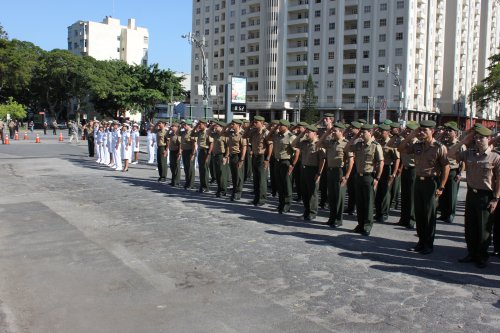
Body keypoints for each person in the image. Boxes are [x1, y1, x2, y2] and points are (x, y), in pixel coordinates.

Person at [448, 126, 499, 268]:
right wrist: (463, 141)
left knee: (483, 228)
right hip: (471, 194)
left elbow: (499, 181)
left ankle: (482, 256)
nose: (477, 140)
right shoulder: (469, 153)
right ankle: (471, 253)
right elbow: (450, 154)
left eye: (481, 137)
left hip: (486, 196)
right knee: (470, 226)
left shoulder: (495, 157)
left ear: (489, 139)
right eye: (476, 137)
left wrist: (496, 199)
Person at [398, 120, 450, 255]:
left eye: (424, 130)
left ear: (432, 131)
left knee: (429, 215)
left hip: (431, 183)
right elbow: (401, 149)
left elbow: (446, 167)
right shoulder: (417, 145)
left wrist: (442, 186)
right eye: (419, 130)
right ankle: (421, 242)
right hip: (418, 182)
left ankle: (428, 244)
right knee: (419, 214)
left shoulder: (439, 147)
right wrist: (410, 136)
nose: (421, 132)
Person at [346, 124, 384, 236]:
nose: (362, 134)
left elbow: (380, 162)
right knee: (359, 202)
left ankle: (367, 226)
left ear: (370, 133)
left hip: (369, 176)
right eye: (361, 132)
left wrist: (377, 178)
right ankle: (360, 224)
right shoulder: (358, 144)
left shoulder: (375, 145)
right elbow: (347, 148)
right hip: (358, 176)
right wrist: (355, 136)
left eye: (364, 132)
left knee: (368, 202)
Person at [318, 122, 354, 227]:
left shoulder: (346, 143)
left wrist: (346, 176)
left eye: (335, 131)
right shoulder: (330, 142)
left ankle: (338, 219)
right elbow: (319, 143)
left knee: (339, 197)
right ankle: (332, 218)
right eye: (332, 131)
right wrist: (328, 131)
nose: (333, 132)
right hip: (330, 171)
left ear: (341, 132)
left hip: (340, 171)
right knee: (332, 196)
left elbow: (351, 161)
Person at [292, 125, 326, 221]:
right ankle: (306, 211)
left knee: (312, 193)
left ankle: (312, 213)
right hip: (304, 169)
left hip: (313, 170)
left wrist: (319, 173)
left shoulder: (319, 144)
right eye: (306, 132)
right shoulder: (304, 143)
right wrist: (301, 134)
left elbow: (322, 160)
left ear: (315, 133)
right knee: (305, 192)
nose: (306, 134)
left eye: (308, 132)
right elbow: (293, 144)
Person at [267, 119, 298, 214]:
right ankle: (281, 204)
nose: (278, 127)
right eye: (278, 125)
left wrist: (292, 165)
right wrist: (274, 128)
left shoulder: (291, 137)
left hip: (286, 162)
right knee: (279, 184)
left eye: (280, 125)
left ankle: (287, 206)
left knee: (287, 185)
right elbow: (268, 138)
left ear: (286, 126)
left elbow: (297, 151)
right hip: (277, 162)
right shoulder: (277, 135)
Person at [437, 122, 465, 224]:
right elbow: (436, 143)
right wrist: (441, 135)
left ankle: (450, 215)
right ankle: (443, 214)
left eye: (450, 131)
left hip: (453, 171)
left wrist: (460, 173)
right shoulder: (443, 143)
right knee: (443, 193)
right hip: (443, 171)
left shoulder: (459, 145)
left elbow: (463, 162)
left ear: (455, 133)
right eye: (446, 130)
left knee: (452, 195)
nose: (447, 132)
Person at [374, 123, 400, 223]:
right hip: (378, 168)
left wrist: (393, 173)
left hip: (387, 168)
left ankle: (384, 213)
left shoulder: (392, 143)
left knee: (385, 192)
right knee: (378, 192)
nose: (380, 133)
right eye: (379, 131)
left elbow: (397, 159)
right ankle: (378, 212)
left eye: (382, 131)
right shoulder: (379, 142)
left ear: (388, 132)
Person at [396, 122, 419, 229]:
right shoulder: (403, 141)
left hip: (413, 170)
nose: (407, 133)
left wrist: (410, 137)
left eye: (410, 131)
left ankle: (411, 219)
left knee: (412, 196)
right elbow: (396, 147)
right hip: (405, 169)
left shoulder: (418, 143)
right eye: (407, 130)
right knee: (404, 195)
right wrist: (400, 134)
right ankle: (404, 218)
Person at [245, 116, 269, 206]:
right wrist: (249, 126)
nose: (254, 123)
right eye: (253, 122)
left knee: (262, 179)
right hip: (255, 156)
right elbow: (244, 135)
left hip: (262, 156)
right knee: (256, 179)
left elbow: (270, 146)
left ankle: (262, 199)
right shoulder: (253, 131)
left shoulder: (266, 132)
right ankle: (256, 198)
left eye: (256, 122)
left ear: (262, 123)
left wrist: (267, 159)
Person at [226, 119, 247, 201]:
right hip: (232, 156)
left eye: (233, 124)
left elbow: (244, 147)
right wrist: (228, 125)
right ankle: (234, 191)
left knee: (238, 176)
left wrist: (241, 159)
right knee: (234, 175)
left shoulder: (242, 134)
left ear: (238, 125)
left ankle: (238, 193)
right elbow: (223, 132)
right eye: (231, 124)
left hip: (238, 156)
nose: (232, 125)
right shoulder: (231, 133)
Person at [192, 119, 214, 193]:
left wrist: (208, 154)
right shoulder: (199, 132)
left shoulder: (208, 132)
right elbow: (192, 134)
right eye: (198, 124)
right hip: (200, 151)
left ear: (204, 124)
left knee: (205, 170)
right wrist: (195, 127)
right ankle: (202, 186)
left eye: (200, 124)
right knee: (201, 170)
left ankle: (206, 187)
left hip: (206, 151)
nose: (199, 125)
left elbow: (211, 143)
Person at [210, 121, 230, 197]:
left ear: (221, 127)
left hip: (222, 156)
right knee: (218, 174)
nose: (215, 127)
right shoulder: (215, 135)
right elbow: (208, 133)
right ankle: (219, 189)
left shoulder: (225, 135)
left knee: (222, 174)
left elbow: (228, 147)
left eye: (217, 126)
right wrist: (212, 126)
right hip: (216, 155)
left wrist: (226, 157)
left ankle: (223, 190)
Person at [180, 119, 196, 189]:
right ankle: (187, 182)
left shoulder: (192, 132)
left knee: (190, 168)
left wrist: (193, 154)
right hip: (184, 151)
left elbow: (194, 144)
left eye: (185, 125)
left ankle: (191, 184)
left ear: (188, 125)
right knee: (186, 168)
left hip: (190, 151)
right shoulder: (184, 132)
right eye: (183, 125)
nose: (183, 126)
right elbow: (177, 133)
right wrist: (181, 127)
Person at [167, 122, 182, 187]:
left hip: (176, 152)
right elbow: (166, 136)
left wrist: (179, 153)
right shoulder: (172, 134)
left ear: (177, 127)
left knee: (176, 167)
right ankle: (173, 181)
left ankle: (177, 181)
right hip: (172, 151)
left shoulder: (178, 135)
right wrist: (169, 129)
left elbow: (180, 144)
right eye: (172, 126)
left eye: (173, 126)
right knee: (172, 166)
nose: (172, 127)